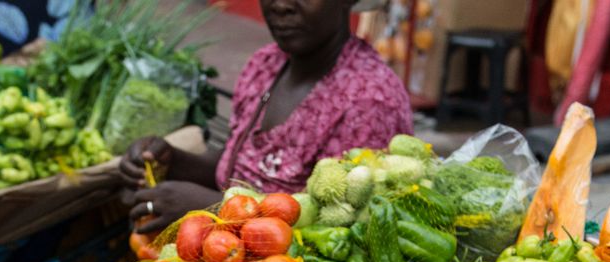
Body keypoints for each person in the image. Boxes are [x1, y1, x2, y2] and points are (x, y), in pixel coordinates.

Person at [122, 0, 414, 233]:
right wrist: (172, 160)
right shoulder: (266, 64)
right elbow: (238, 167)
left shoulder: (369, 102)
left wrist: (216, 209)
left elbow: (343, 237)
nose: (281, 5)